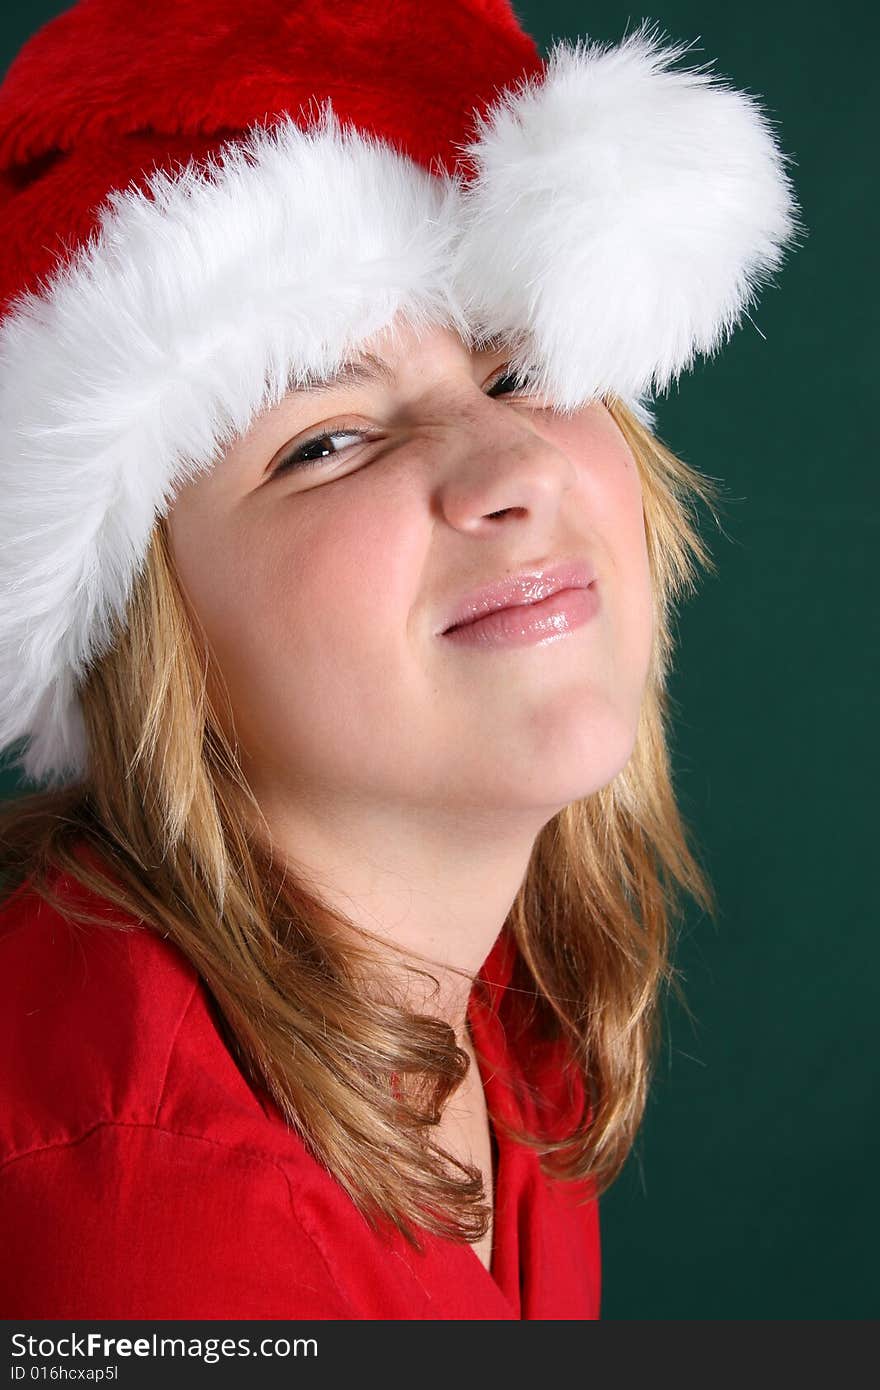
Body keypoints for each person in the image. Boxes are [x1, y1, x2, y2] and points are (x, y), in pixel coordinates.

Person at [0, 0, 803, 1320]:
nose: (511, 466)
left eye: (520, 372)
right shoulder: (143, 1225)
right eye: (325, 442)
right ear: (149, 634)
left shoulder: (510, 1002)